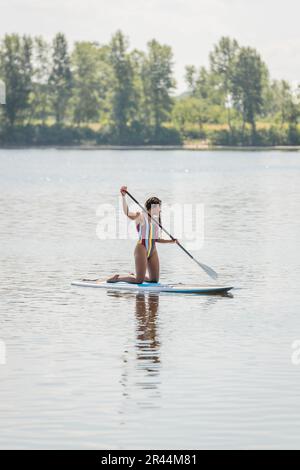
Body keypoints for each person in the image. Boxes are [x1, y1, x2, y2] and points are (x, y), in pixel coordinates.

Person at [107, 186, 177, 284]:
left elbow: (156, 239)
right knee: (138, 281)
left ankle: (134, 275)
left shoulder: (155, 220)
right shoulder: (140, 216)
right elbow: (126, 213)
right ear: (151, 207)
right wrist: (123, 197)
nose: (160, 210)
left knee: (154, 280)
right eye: (158, 208)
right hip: (142, 248)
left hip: (153, 250)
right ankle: (117, 278)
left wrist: (171, 241)